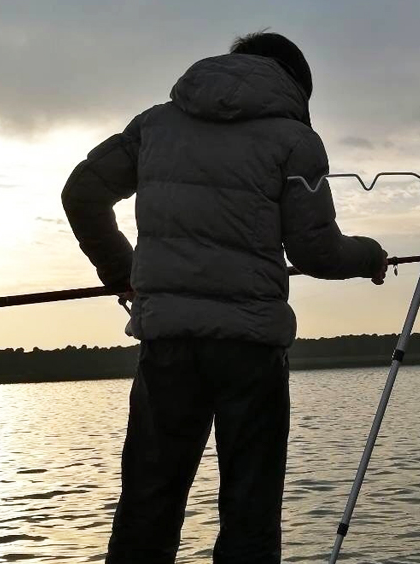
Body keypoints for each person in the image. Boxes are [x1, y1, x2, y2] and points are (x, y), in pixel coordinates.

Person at [61, 31, 387, 564]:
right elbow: (315, 252)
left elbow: (83, 192)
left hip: (166, 347)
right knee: (250, 514)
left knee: (148, 508)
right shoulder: (295, 140)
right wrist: (371, 257)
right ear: (295, 85)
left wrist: (123, 273)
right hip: (250, 351)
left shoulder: (154, 124)